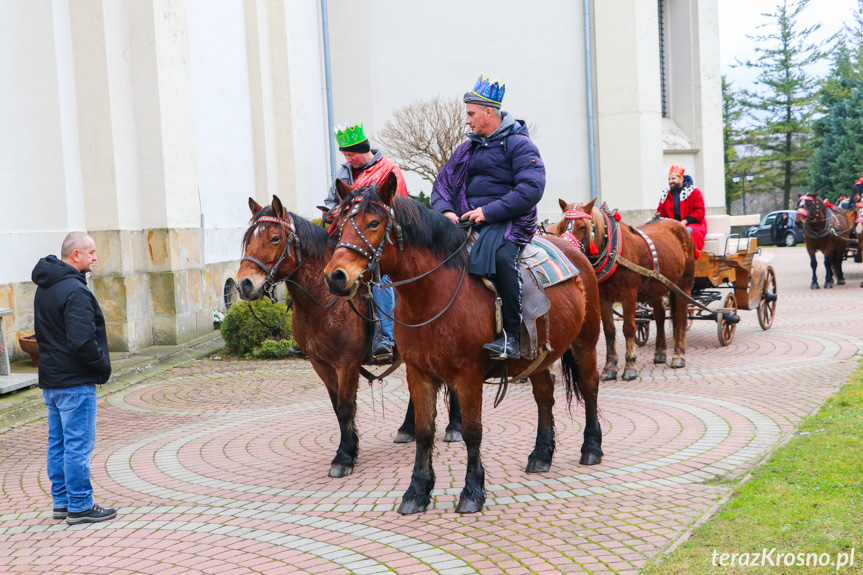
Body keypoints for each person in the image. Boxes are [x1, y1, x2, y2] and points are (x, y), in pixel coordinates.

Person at [431, 75, 546, 359]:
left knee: (503, 258)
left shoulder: (520, 146)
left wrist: (487, 211)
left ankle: (511, 335)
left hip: (510, 222)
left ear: (488, 113)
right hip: (470, 220)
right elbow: (441, 185)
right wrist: (446, 211)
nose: (467, 121)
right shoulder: (466, 150)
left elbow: (530, 190)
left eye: (471, 114)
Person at [32, 232, 116, 525]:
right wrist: (102, 367)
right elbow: (82, 342)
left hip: (53, 381)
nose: (95, 257)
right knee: (77, 445)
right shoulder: (75, 291)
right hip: (75, 382)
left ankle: (62, 502)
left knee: (59, 444)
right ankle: (80, 505)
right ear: (75, 255)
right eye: (91, 252)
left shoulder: (45, 287)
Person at [316, 123, 407, 360]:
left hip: (378, 238)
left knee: (380, 276)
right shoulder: (343, 172)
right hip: (347, 234)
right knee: (318, 265)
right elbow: (330, 201)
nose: (348, 159)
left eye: (351, 154)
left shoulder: (388, 170)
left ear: (364, 149)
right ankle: (319, 334)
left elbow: (398, 205)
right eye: (345, 155)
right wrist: (332, 212)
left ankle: (386, 338)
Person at [655, 165, 706, 251]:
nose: (670, 181)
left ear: (681, 179)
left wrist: (684, 221)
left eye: (673, 179)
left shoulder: (695, 192)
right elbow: (660, 212)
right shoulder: (666, 195)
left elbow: (700, 212)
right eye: (669, 179)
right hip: (672, 226)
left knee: (685, 232)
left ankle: (687, 257)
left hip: (692, 225)